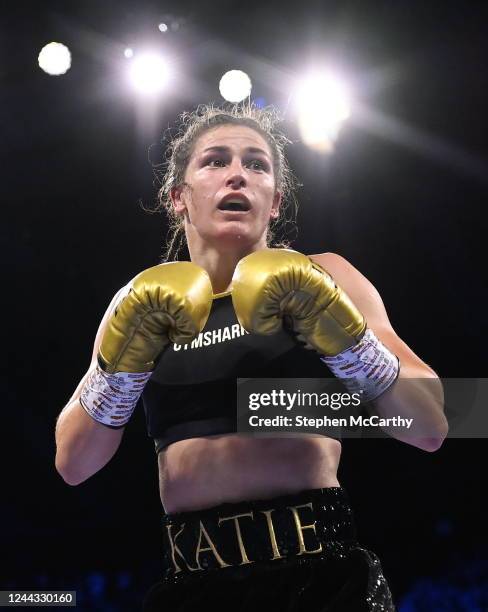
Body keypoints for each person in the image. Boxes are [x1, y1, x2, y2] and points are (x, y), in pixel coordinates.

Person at [55, 104, 448, 611]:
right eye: (215, 161)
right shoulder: (140, 301)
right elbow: (73, 464)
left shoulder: (325, 273)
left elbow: (434, 425)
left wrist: (347, 340)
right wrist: (122, 368)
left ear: (276, 201)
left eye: (257, 164)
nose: (237, 174)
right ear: (178, 196)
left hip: (323, 577)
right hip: (193, 582)